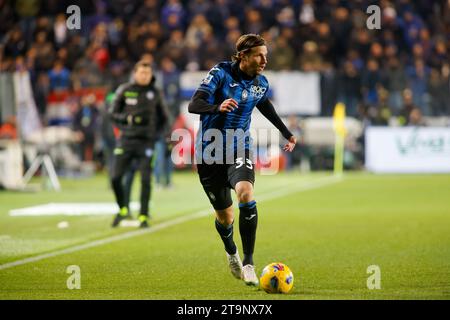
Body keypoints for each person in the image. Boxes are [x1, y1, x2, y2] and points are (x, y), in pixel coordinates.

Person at [188, 34, 297, 286]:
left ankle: (249, 263)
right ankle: (231, 252)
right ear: (243, 56)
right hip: (210, 153)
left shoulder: (261, 83)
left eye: (266, 55)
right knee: (225, 218)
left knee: (246, 193)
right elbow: (195, 104)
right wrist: (217, 107)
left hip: (240, 148)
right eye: (259, 55)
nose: (264, 60)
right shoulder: (220, 73)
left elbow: (264, 104)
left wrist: (286, 132)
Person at [109, 60, 171, 228]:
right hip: (126, 140)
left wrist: (165, 138)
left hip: (147, 142)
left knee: (145, 179)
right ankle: (123, 208)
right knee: (115, 178)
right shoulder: (124, 90)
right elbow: (112, 113)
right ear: (135, 73)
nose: (145, 76)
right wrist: (128, 119)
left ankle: (143, 215)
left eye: (148, 73)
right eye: (142, 73)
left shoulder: (155, 93)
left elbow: (165, 118)